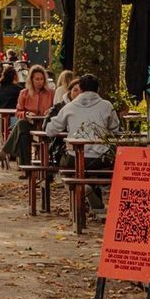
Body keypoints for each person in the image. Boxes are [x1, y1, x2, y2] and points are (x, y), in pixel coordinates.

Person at [45, 73, 122, 216]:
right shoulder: (107, 105)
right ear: (98, 89)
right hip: (100, 158)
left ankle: (78, 190)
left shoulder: (70, 106)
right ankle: (90, 191)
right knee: (91, 167)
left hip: (75, 158)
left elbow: (50, 130)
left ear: (80, 88)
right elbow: (115, 129)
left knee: (62, 164)